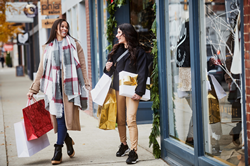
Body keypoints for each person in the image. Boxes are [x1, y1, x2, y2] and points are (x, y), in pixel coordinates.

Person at [27, 19, 90, 165]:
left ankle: (58, 149)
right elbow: (41, 70)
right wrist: (33, 89)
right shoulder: (48, 47)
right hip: (53, 90)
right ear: (56, 28)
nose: (65, 29)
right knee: (60, 119)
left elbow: (82, 65)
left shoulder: (75, 44)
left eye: (67, 27)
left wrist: (85, 83)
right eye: (62, 26)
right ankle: (67, 141)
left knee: (63, 119)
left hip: (69, 89)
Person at [104, 23, 148, 164]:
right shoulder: (117, 50)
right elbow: (110, 72)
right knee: (120, 119)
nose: (117, 35)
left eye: (119, 33)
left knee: (131, 119)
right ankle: (124, 144)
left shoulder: (139, 52)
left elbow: (143, 72)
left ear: (127, 34)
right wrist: (107, 67)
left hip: (133, 91)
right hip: (118, 89)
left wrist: (139, 91)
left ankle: (134, 152)